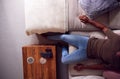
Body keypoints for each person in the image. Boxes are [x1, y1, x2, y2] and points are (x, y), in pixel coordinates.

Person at [47, 15, 120, 71]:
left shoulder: (117, 65)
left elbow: (101, 66)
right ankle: (46, 37)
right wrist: (89, 21)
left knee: (64, 60)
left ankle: (63, 47)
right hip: (87, 42)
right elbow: (104, 28)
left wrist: (84, 67)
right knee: (62, 37)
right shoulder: (117, 40)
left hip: (86, 54)